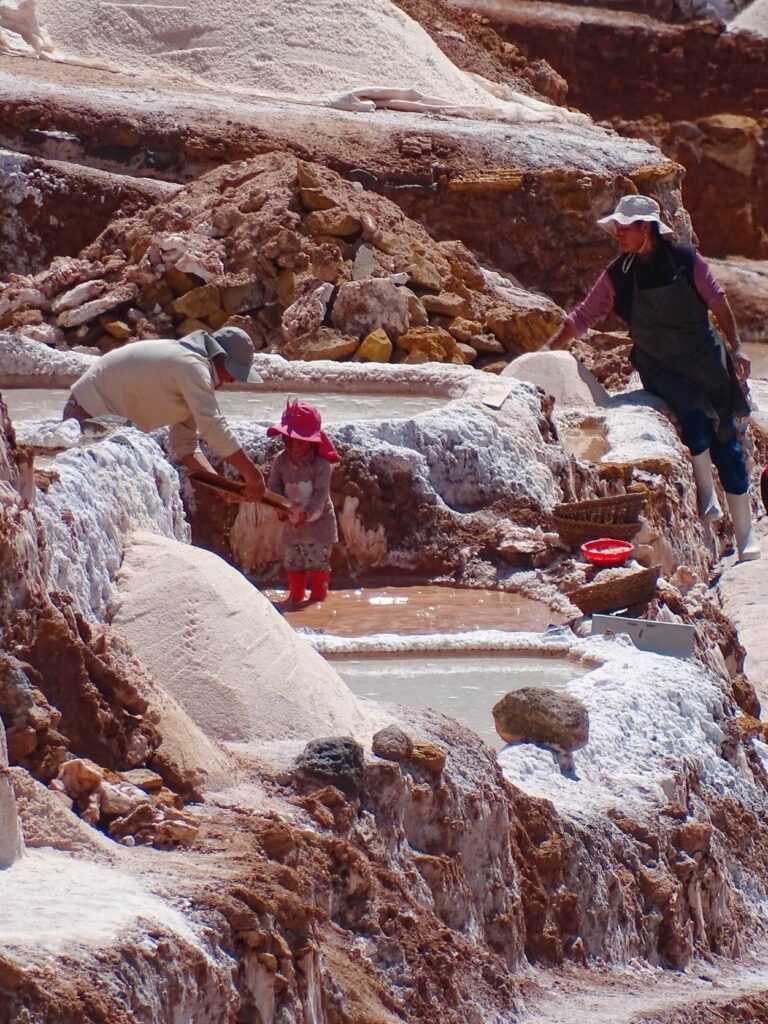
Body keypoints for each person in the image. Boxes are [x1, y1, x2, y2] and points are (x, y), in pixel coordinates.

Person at [545, 194, 760, 562]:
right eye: (617, 227)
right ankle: (706, 495)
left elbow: (718, 301)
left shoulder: (685, 260)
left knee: (727, 441)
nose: (618, 234)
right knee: (693, 416)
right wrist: (546, 350)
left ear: (647, 228)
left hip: (705, 359)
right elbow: (583, 317)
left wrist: (737, 347)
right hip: (660, 366)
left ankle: (746, 538)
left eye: (625, 228)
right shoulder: (619, 275)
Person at [62, 327, 266, 501]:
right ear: (221, 359)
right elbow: (213, 426)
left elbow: (185, 445)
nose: (233, 380)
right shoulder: (192, 366)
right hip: (88, 411)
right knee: (102, 492)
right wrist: (253, 474)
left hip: (106, 418)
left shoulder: (193, 373)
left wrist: (220, 487)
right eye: (234, 373)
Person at [267, 399, 339, 604]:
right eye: (288, 440)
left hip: (319, 526)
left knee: (317, 563)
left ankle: (318, 600)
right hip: (292, 525)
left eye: (299, 441)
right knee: (293, 562)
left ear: (312, 441)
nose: (292, 445)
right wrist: (279, 507)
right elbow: (274, 486)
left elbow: (320, 495)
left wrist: (306, 514)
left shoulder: (321, 465)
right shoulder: (281, 461)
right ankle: (296, 597)